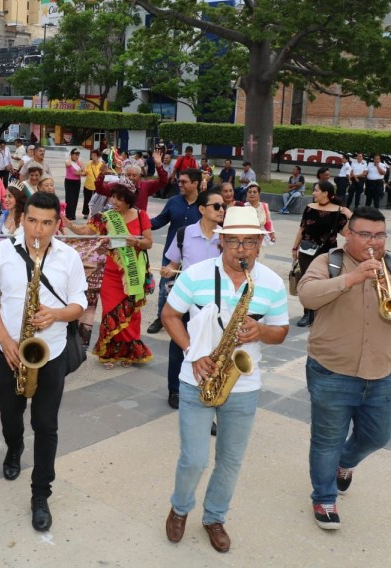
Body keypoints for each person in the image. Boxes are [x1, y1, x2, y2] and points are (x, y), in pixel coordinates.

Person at [161, 206, 289, 553]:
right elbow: (169, 315)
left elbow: (281, 331)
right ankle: (180, 508)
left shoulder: (272, 283)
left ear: (260, 245)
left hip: (243, 386)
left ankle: (214, 517)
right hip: (196, 378)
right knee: (194, 459)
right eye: (234, 241)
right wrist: (193, 351)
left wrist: (261, 330)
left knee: (230, 460)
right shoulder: (195, 274)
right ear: (221, 241)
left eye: (250, 242)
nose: (242, 249)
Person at [298, 206, 391, 530]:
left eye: (379, 235)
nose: (374, 241)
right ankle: (324, 497)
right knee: (326, 440)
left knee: (379, 435)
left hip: (381, 372)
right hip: (332, 370)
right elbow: (307, 296)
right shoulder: (329, 262)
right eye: (365, 234)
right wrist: (350, 279)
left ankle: (345, 463)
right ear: (347, 234)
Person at [0, 191, 88, 532]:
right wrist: (6, 340)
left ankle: (40, 493)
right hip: (10, 351)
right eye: (32, 221)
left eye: (46, 223)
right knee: (10, 416)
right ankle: (14, 447)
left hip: (50, 353)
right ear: (22, 218)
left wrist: (56, 314)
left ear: (57, 224)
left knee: (47, 425)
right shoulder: (2, 252)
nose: (38, 231)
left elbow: (79, 304)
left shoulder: (69, 256)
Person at [64, 181, 153, 367]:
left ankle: (129, 352)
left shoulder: (141, 215)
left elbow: (148, 242)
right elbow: (85, 232)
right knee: (110, 311)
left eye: (120, 198)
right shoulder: (105, 217)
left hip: (133, 271)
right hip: (110, 274)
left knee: (131, 313)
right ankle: (109, 352)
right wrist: (69, 224)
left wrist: (135, 243)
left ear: (128, 200)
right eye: (113, 197)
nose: (115, 201)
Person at [159, 188, 226, 409]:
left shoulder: (226, 237)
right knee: (179, 345)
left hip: (215, 302)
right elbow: (173, 264)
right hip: (186, 301)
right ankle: (175, 390)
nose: (221, 210)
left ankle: (208, 392)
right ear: (202, 209)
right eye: (216, 206)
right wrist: (168, 270)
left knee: (213, 348)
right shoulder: (184, 233)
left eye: (223, 206)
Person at [146, 168, 202, 336]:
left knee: (194, 291)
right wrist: (139, 222)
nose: (180, 184)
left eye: (184, 182)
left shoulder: (204, 205)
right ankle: (161, 319)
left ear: (195, 183)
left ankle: (190, 320)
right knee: (165, 288)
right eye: (179, 181)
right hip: (171, 254)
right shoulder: (173, 201)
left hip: (195, 256)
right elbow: (159, 221)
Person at [290, 181, 350, 327]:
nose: (313, 193)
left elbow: (346, 233)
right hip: (306, 251)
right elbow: (302, 229)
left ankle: (320, 312)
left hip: (327, 253)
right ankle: (307, 313)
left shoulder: (338, 211)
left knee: (325, 282)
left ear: (325, 193)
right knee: (306, 281)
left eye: (316, 190)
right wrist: (294, 247)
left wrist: (350, 216)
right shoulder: (309, 208)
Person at [93, 159, 168, 212]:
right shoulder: (118, 185)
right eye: (128, 175)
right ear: (125, 175)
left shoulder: (145, 185)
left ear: (139, 176)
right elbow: (100, 190)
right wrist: (101, 175)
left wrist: (159, 165)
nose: (131, 177)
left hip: (138, 222)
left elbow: (163, 181)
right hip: (120, 223)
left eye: (134, 175)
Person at [81, 149, 103, 219]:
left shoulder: (101, 164)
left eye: (94, 155)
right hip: (88, 185)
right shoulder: (89, 164)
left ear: (98, 156)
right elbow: (85, 173)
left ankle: (95, 213)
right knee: (87, 200)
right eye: (92, 155)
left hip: (98, 187)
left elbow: (103, 175)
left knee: (96, 201)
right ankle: (85, 213)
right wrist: (81, 173)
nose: (92, 157)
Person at [63, 148, 84, 221]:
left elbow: (83, 170)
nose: (77, 156)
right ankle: (68, 214)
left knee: (75, 198)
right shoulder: (68, 161)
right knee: (69, 198)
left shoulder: (79, 162)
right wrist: (70, 157)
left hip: (77, 182)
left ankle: (73, 214)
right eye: (75, 154)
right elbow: (68, 164)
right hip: (69, 181)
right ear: (71, 154)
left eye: (78, 154)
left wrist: (79, 163)